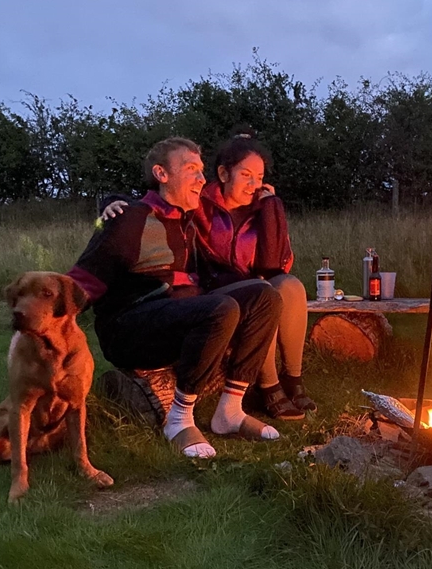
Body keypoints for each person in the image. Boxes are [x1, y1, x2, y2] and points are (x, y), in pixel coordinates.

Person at [69, 137, 283, 459]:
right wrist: (48, 330)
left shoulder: (185, 222)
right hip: (129, 329)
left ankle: (230, 412)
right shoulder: (130, 219)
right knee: (220, 308)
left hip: (174, 315)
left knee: (265, 296)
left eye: (201, 170)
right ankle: (179, 419)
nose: (201, 179)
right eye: (191, 170)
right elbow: (82, 281)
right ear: (162, 174)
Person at [103, 131, 317, 421]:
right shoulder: (199, 200)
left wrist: (272, 208)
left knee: (289, 286)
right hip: (213, 287)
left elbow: (275, 263)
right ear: (223, 174)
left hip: (255, 283)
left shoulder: (263, 208)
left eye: (259, 177)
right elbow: (154, 201)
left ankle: (293, 379)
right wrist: (111, 201)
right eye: (245, 175)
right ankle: (268, 386)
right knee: (263, 291)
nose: (253, 185)